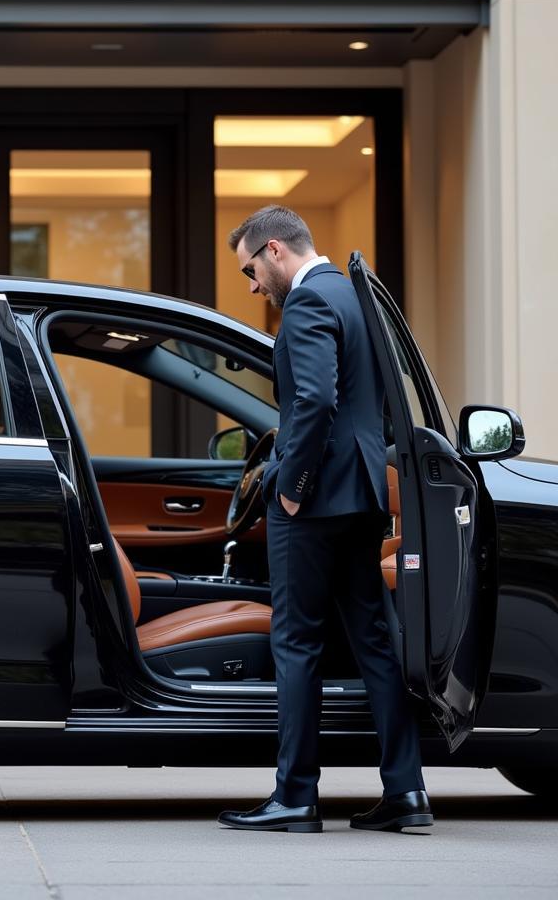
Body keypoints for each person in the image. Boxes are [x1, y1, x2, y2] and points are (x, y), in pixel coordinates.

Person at [217, 205, 432, 834]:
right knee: (373, 641)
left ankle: (296, 796)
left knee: (297, 642)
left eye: (251, 270)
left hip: (314, 502)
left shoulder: (308, 303)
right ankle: (407, 793)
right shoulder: (352, 294)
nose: (254, 286)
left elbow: (313, 399)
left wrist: (294, 487)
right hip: (363, 494)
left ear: (276, 250)